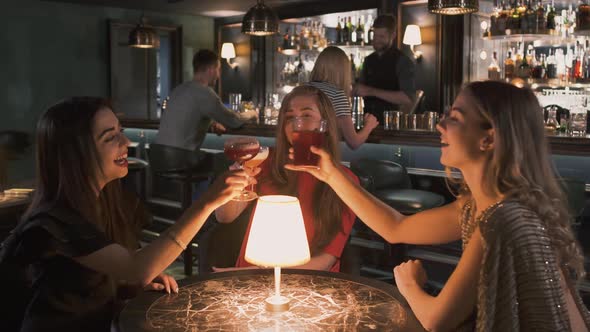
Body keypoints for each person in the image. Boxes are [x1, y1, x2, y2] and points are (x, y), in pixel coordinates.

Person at [287, 81, 590, 331]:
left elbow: (437, 320)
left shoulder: (503, 218)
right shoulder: (478, 206)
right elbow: (396, 227)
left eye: (454, 118)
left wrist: (409, 284)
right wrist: (331, 174)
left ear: (488, 139)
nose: (440, 125)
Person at [0, 97, 251, 332]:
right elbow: (135, 268)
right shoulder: (55, 220)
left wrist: (125, 283)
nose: (126, 143)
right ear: (76, 152)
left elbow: (105, 270)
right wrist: (207, 202)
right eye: (110, 137)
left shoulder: (104, 202)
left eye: (120, 131)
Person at [214, 86, 359, 273]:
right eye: (289, 117)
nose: (296, 123)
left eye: (306, 116)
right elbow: (224, 216)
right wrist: (237, 177)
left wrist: (259, 275)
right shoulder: (265, 162)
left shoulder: (346, 180)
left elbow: (326, 260)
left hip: (309, 282)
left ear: (325, 125)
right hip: (251, 280)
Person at [155, 49, 257, 152]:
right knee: (221, 161)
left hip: (160, 157)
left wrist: (212, 123)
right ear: (211, 69)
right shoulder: (205, 93)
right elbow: (234, 120)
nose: (218, 75)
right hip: (180, 159)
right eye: (218, 69)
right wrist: (252, 113)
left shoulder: (179, 89)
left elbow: (188, 116)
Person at [306, 46, 379, 150]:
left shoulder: (303, 89)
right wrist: (369, 125)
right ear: (343, 71)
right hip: (322, 157)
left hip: (298, 152)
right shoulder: (337, 95)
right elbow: (354, 142)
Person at [353, 14, 416, 123]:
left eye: (381, 36)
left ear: (393, 35)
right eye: (375, 35)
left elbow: (408, 99)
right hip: (368, 124)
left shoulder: (402, 61)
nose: (376, 40)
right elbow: (360, 89)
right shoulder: (368, 60)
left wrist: (371, 91)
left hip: (393, 126)